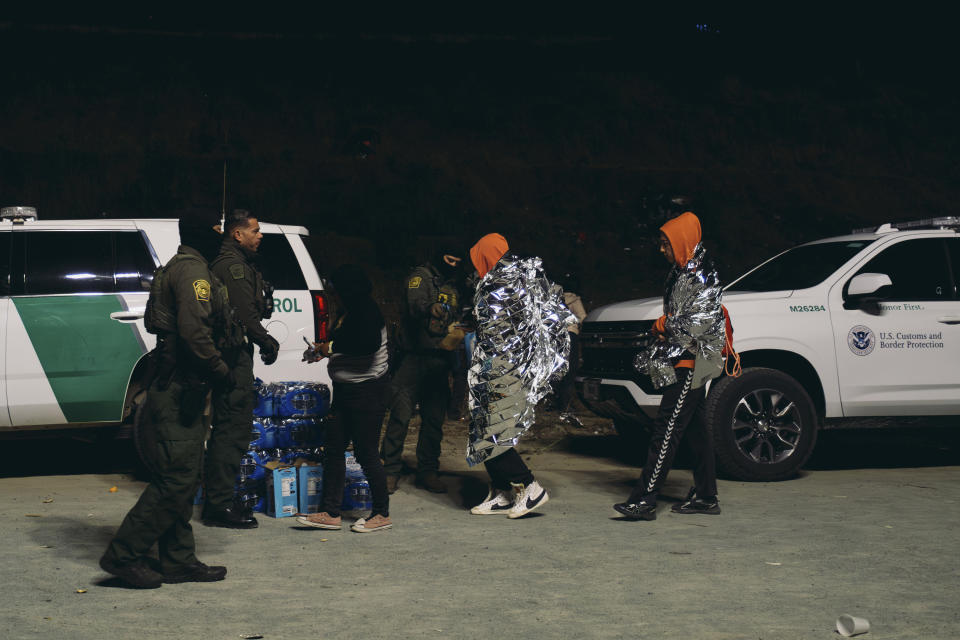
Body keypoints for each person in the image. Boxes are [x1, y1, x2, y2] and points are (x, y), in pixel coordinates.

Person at [100, 210, 239, 588]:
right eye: (216, 230)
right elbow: (195, 334)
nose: (221, 237)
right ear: (200, 235)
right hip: (181, 388)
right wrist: (221, 371)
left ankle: (177, 561)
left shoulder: (179, 265)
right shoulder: (193, 272)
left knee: (180, 475)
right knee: (177, 479)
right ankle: (123, 555)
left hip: (178, 386)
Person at [613, 211, 725, 521]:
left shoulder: (701, 274)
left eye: (667, 243)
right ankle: (705, 496)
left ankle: (644, 500)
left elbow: (699, 322)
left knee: (666, 430)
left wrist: (664, 325)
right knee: (696, 431)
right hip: (684, 357)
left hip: (692, 361)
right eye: (661, 243)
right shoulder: (682, 271)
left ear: (683, 241)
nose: (662, 249)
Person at [466, 233, 576, 518]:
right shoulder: (499, 282)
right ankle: (503, 491)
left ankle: (530, 487)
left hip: (507, 368)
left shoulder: (507, 283)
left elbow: (509, 330)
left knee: (494, 432)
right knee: (482, 430)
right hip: (492, 366)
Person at [296, 264, 392, 533]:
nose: (334, 296)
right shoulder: (348, 311)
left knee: (366, 453)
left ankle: (382, 513)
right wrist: (321, 350)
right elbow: (342, 340)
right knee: (334, 449)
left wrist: (333, 347)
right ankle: (331, 512)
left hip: (367, 392)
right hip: (345, 392)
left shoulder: (367, 311)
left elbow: (366, 344)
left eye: (336, 291)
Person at [203, 209, 279, 529]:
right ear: (238, 234)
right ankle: (218, 505)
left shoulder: (236, 263)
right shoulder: (232, 266)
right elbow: (245, 314)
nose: (260, 235)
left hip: (233, 352)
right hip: (232, 355)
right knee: (232, 428)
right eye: (255, 230)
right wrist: (266, 341)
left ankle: (221, 497)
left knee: (231, 428)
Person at [380, 249, 466, 494]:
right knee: (400, 416)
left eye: (458, 261)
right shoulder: (421, 277)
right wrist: (433, 309)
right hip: (413, 360)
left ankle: (428, 470)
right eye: (450, 259)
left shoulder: (455, 284)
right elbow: (416, 304)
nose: (453, 265)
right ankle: (390, 471)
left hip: (440, 360)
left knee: (434, 420)